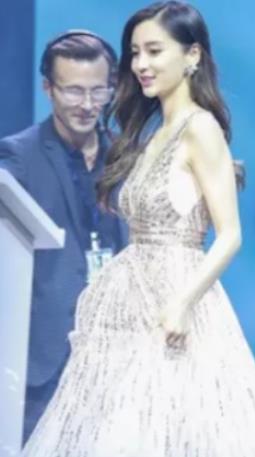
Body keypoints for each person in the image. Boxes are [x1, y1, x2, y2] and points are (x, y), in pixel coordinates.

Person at [22, 2, 255, 455]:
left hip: (174, 298)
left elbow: (230, 235)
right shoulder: (154, 133)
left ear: (192, 55)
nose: (141, 64)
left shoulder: (201, 128)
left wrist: (182, 303)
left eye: (154, 51)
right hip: (129, 303)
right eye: (135, 53)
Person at [0, 29, 127, 443]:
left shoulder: (127, 156)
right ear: (48, 89)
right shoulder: (18, 156)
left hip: (118, 352)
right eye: (73, 91)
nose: (87, 104)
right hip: (46, 357)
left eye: (98, 90)